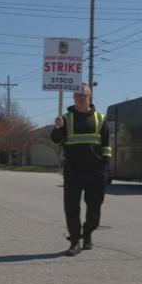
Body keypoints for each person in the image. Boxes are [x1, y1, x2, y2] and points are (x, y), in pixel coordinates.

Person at [50, 83, 112, 256]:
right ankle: (75, 241)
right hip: (73, 170)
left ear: (89, 96)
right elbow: (56, 141)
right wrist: (57, 128)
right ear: (73, 98)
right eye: (76, 95)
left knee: (95, 206)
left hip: (96, 170)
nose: (79, 97)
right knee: (71, 207)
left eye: (83, 94)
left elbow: (106, 144)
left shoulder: (100, 118)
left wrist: (105, 164)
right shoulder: (65, 118)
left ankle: (88, 233)